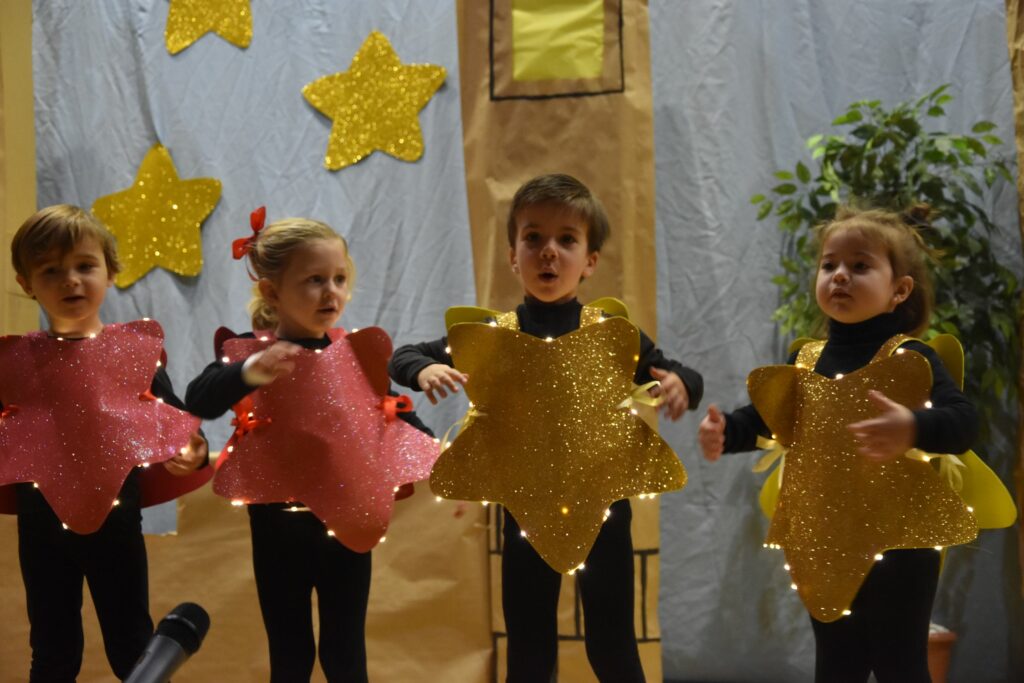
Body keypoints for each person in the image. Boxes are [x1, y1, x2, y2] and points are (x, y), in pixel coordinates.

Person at [389, 173, 703, 682]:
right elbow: (403, 355)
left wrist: (680, 384)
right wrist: (422, 370)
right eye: (533, 238)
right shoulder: (495, 336)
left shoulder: (612, 335)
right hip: (524, 514)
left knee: (613, 647)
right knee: (531, 651)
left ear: (590, 262)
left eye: (566, 239)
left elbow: (678, 371)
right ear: (513, 256)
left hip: (604, 511)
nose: (548, 252)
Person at [699, 205, 978, 683]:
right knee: (837, 664)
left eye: (860, 265)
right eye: (830, 265)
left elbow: (963, 422)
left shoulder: (912, 358)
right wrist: (727, 431)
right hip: (823, 536)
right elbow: (767, 420)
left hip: (900, 541)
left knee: (899, 664)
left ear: (899, 290)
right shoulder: (804, 361)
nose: (840, 276)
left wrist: (912, 427)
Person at [186, 211, 432, 683]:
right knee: (291, 652)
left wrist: (437, 453)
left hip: (347, 515)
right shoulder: (249, 351)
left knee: (344, 652)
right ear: (272, 292)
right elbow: (199, 400)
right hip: (277, 523)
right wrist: (248, 373)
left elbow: (393, 412)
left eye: (339, 279)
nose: (331, 292)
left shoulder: (355, 353)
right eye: (315, 280)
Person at [5, 204, 208, 681]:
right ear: (26, 282)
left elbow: (174, 420)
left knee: (132, 647)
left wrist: (191, 447)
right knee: (52, 649)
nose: (71, 280)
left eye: (84, 266)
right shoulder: (16, 362)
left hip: (116, 521)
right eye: (51, 270)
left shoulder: (134, 353)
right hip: (40, 524)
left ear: (110, 272)